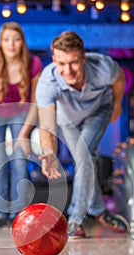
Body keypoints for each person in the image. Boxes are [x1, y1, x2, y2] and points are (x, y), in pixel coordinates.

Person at [35, 30, 128, 238]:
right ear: (54, 60)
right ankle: (98, 210)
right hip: (67, 120)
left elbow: (119, 79)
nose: (68, 70)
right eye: (61, 64)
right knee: (83, 159)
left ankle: (74, 218)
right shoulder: (47, 83)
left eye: (74, 62)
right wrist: (49, 153)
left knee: (84, 155)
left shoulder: (103, 66)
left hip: (98, 110)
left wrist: (117, 106)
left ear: (83, 57)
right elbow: (47, 127)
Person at [0, 22, 43, 227]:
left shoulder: (33, 64)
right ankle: (0, 213)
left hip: (21, 114)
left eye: (16, 39)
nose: (11, 44)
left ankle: (19, 212)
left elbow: (35, 101)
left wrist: (24, 133)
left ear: (22, 42)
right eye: (6, 39)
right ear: (1, 42)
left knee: (19, 162)